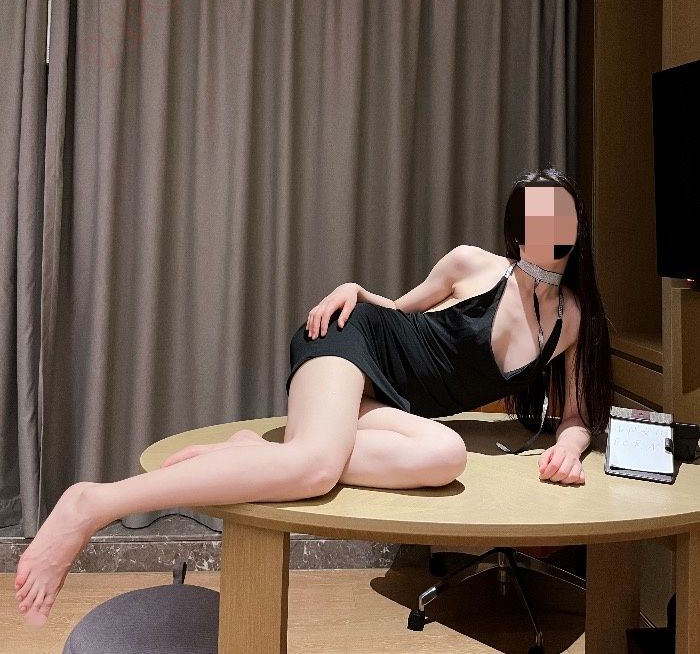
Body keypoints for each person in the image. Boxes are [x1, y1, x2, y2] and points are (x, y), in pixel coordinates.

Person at [14, 166, 612, 625]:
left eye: (559, 216)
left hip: (391, 407)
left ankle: (265, 451)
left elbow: (579, 415)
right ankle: (94, 503)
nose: (547, 228)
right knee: (317, 469)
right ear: (518, 226)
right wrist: (355, 287)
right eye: (535, 215)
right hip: (354, 342)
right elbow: (395, 313)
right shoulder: (473, 264)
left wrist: (570, 446)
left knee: (446, 456)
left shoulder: (572, 320)